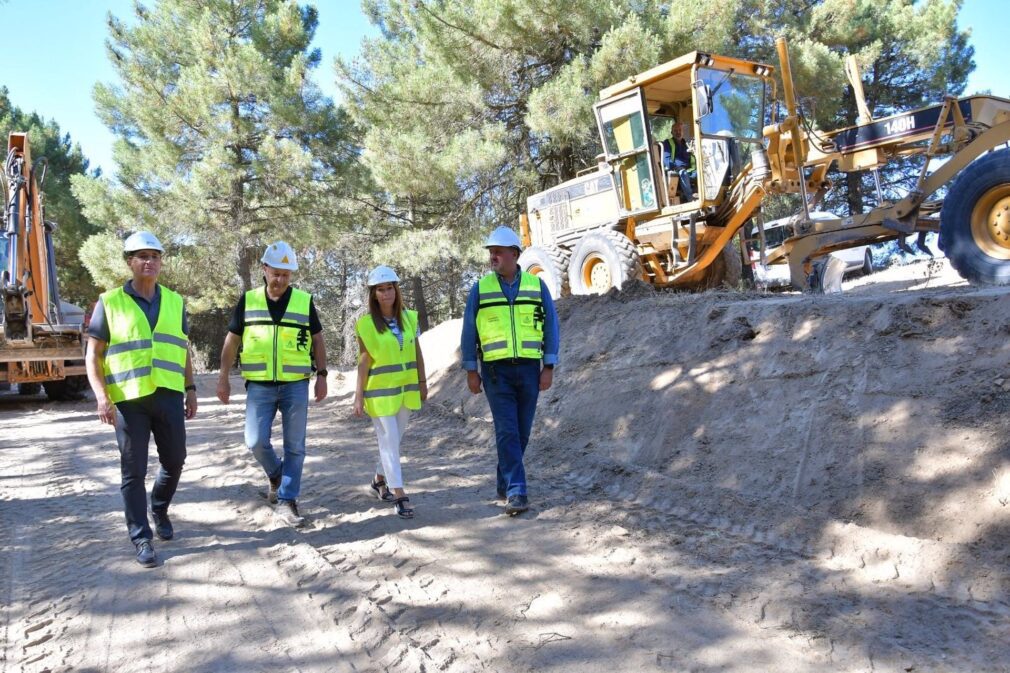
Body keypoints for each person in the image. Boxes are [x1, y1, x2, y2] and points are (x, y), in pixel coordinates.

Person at [84, 231, 197, 568]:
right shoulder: (110, 301)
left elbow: (183, 349)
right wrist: (102, 396)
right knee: (133, 471)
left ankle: (159, 506)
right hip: (129, 400)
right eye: (141, 255)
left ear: (161, 262)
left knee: (175, 460)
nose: (149, 261)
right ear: (129, 262)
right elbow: (94, 355)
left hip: (168, 394)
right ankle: (141, 537)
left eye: (154, 256)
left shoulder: (175, 302)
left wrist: (190, 389)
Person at [216, 241, 328, 527]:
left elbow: (317, 339)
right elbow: (232, 340)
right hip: (260, 386)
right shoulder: (248, 300)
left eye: (286, 275)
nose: (280, 280)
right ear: (264, 269)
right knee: (254, 440)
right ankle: (276, 473)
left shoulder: (303, 301)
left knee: (295, 446)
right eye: (276, 273)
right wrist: (223, 377)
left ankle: (288, 500)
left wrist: (323, 376)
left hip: (295, 385)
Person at [460, 226, 560, 516]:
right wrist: (471, 369)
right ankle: (517, 491)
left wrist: (548, 365)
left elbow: (551, 326)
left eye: (498, 252)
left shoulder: (536, 286)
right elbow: (469, 332)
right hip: (495, 373)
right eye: (491, 252)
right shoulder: (480, 289)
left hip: (529, 370)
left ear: (514, 254)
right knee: (507, 431)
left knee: (522, 433)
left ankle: (505, 475)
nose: (493, 257)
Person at [352, 265, 427, 519]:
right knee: (390, 441)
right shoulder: (365, 324)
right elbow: (363, 360)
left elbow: (417, 352)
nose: (386, 294)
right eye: (380, 290)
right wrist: (358, 395)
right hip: (380, 392)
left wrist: (423, 381)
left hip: (406, 390)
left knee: (392, 441)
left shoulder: (409, 318)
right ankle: (399, 494)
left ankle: (378, 480)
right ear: (373, 294)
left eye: (389, 288)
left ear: (396, 290)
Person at [662, 121, 694, 203]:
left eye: (680, 130)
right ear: (671, 132)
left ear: (683, 132)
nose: (678, 132)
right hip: (677, 169)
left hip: (690, 169)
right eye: (675, 130)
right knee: (683, 173)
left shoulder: (687, 143)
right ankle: (691, 199)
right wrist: (676, 167)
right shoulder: (667, 143)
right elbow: (667, 161)